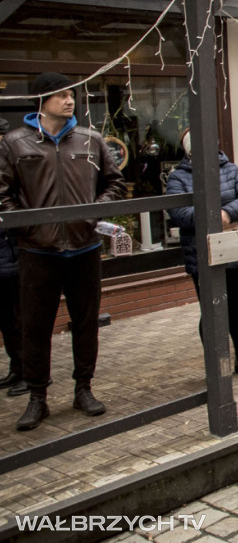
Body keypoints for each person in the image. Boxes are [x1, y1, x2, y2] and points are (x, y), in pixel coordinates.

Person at [0, 72, 126, 431]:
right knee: (34, 327)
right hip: (38, 251)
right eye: (61, 96)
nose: (69, 101)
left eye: (71, 95)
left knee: (86, 323)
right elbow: (2, 193)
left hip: (85, 248)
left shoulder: (91, 139)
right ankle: (37, 397)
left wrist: (93, 214)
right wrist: (28, 226)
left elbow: (115, 183)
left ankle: (83, 389)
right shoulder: (15, 143)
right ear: (42, 101)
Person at [166, 129, 238, 378]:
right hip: (203, 254)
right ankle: (216, 363)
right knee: (211, 311)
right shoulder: (178, 177)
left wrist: (227, 214)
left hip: (233, 249)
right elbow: (178, 213)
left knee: (237, 308)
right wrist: (212, 218)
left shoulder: (231, 169)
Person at [0, 117, 25, 397]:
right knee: (7, 321)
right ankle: (16, 368)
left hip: (18, 258)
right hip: (3, 259)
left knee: (22, 320)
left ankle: (30, 373)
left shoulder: (14, 171)